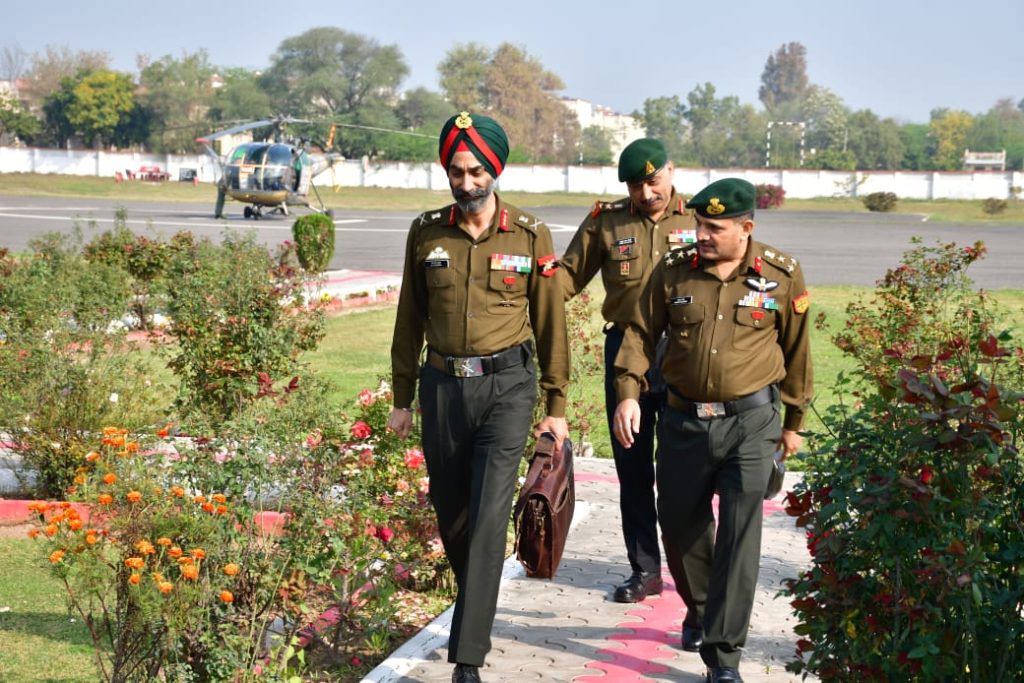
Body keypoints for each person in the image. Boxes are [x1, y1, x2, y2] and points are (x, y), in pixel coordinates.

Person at [387, 111, 570, 683]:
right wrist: (402, 396)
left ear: (494, 170)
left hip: (507, 387)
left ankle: (467, 658)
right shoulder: (427, 232)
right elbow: (409, 317)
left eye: (474, 172)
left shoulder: (530, 233)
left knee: (491, 514)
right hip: (442, 387)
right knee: (456, 519)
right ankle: (476, 612)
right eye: (455, 172)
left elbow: (550, 322)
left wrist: (556, 407)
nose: (465, 183)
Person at [612, 178, 813, 683]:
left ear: (746, 228)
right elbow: (638, 332)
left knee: (740, 537)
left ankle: (724, 658)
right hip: (682, 422)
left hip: (752, 422)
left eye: (715, 228)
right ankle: (701, 608)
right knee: (678, 525)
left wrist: (794, 424)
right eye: (700, 224)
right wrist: (629, 393)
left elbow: (798, 353)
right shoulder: (674, 272)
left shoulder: (781, 275)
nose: (701, 234)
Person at [558, 138, 691, 603]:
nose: (647, 193)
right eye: (637, 185)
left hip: (684, 354)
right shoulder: (607, 222)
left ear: (671, 171)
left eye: (654, 181)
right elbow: (565, 280)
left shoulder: (700, 220)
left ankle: (691, 577)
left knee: (680, 472)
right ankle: (645, 571)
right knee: (632, 468)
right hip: (623, 354)